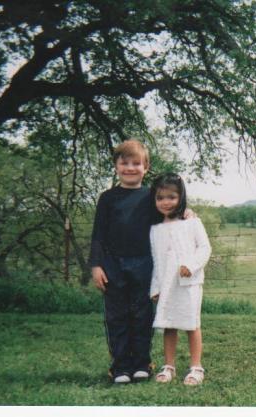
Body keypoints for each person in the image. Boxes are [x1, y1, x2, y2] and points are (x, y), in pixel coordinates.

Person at [90, 139, 155, 384]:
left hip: (144, 264)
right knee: (117, 317)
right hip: (112, 265)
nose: (130, 167)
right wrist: (96, 266)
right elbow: (98, 234)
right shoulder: (107, 198)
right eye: (124, 162)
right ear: (116, 166)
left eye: (136, 163)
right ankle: (120, 367)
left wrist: (187, 213)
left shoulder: (151, 196)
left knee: (142, 315)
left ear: (145, 167)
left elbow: (171, 213)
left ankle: (141, 364)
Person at [149, 173, 211, 386]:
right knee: (169, 324)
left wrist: (191, 266)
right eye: (160, 197)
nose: (166, 202)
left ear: (181, 197)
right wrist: (155, 288)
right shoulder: (155, 229)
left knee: (192, 324)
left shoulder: (192, 222)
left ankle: (196, 367)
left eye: (171, 197)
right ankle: (169, 366)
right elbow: (156, 261)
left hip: (188, 284)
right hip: (166, 284)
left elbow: (204, 248)